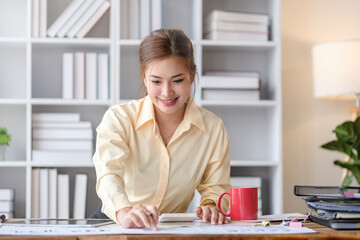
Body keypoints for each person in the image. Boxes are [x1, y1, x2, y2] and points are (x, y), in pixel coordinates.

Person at [93, 29, 230, 231]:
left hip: (168, 229)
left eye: (177, 80)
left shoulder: (213, 128)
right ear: (144, 78)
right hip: (116, 222)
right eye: (156, 81)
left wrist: (210, 207)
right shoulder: (119, 118)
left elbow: (215, 188)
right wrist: (125, 212)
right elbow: (108, 174)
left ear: (192, 76)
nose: (167, 92)